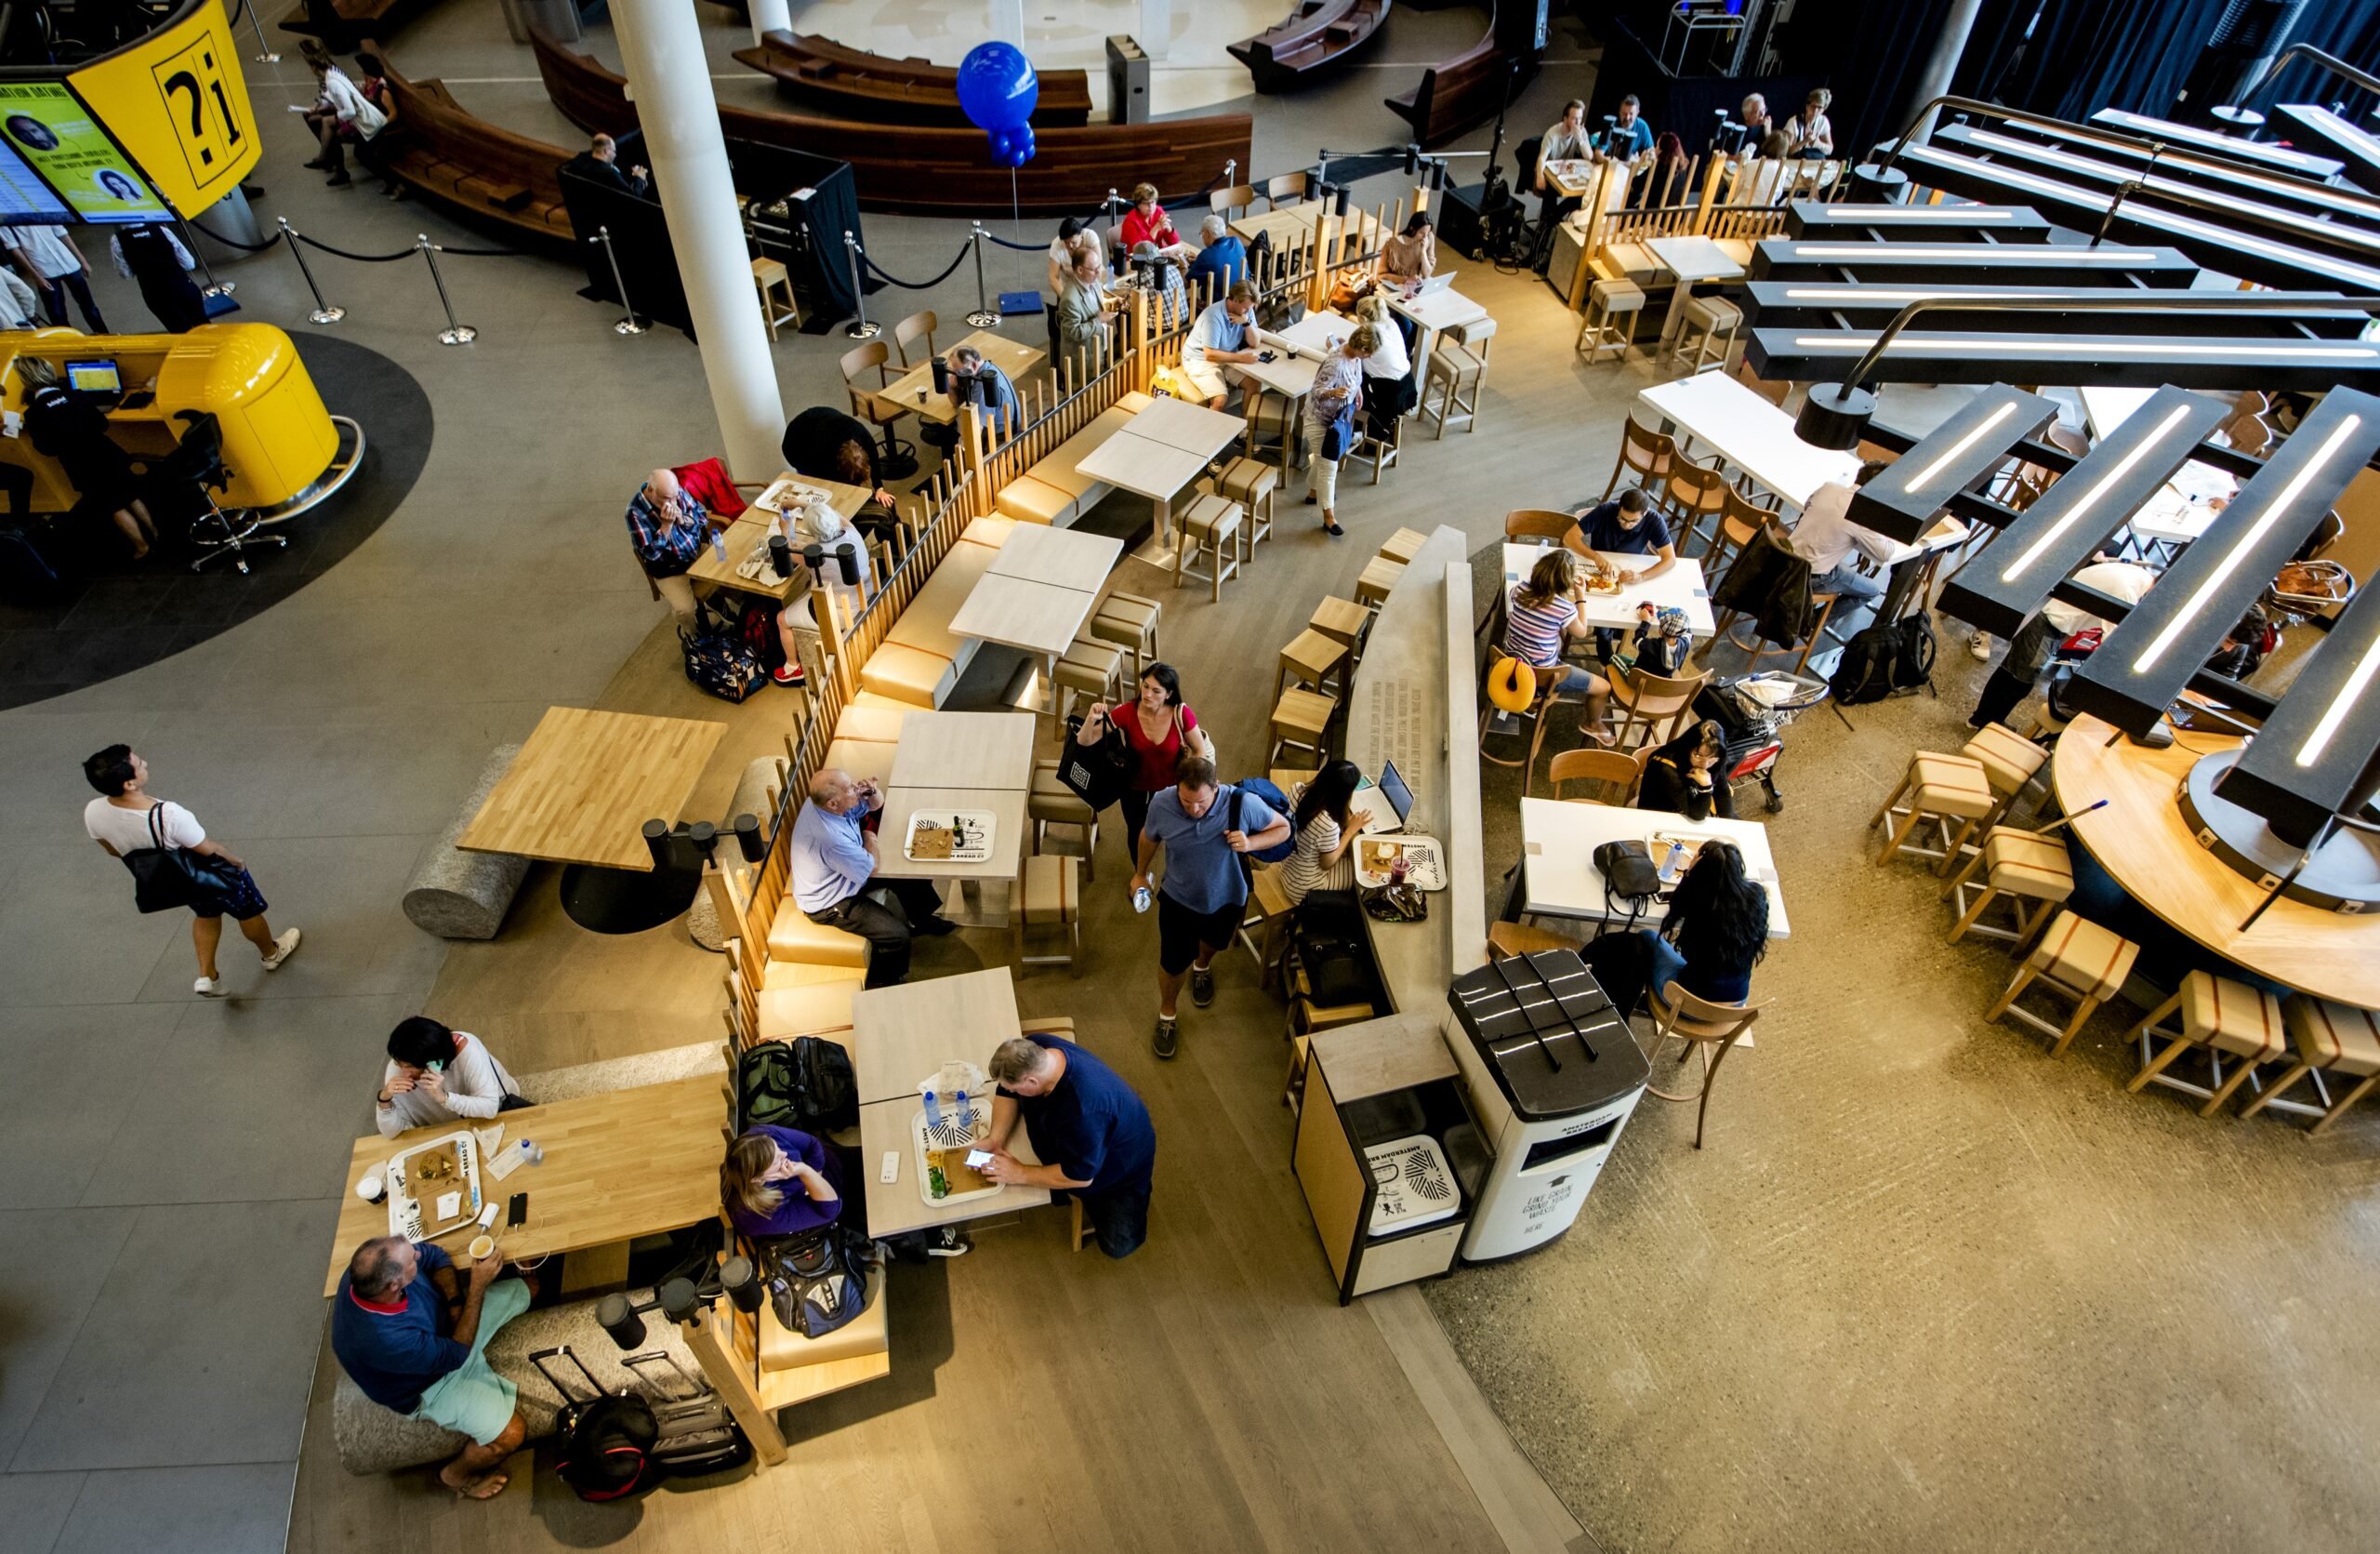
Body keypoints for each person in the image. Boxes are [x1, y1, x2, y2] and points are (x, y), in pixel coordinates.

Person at [83, 744, 300, 997]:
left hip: (177, 881)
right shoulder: (169, 815)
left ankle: (207, 975)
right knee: (247, 908)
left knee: (206, 913)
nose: (145, 764)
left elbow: (113, 850)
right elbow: (207, 849)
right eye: (139, 763)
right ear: (129, 784)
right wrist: (236, 861)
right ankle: (271, 953)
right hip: (207, 873)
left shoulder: (94, 812)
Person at [331, 1236, 526, 1501]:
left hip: (444, 1333)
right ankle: (455, 1475)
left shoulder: (367, 1270)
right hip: (431, 1385)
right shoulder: (387, 1340)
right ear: (393, 1285)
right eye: (412, 1260)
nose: (418, 1257)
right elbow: (456, 1354)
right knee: (511, 1435)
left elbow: (435, 1254)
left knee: (528, 1288)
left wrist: (457, 1308)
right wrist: (477, 1288)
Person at [1132, 752, 1289, 1057]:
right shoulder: (1162, 804)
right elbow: (1149, 837)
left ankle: (1202, 966)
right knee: (1172, 962)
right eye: (1186, 801)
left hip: (1227, 897)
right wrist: (1139, 873)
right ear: (1176, 787)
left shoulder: (1242, 804)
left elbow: (1283, 828)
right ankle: (1167, 1014)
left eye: (1201, 803)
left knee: (1213, 943)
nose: (1193, 809)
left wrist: (1251, 843)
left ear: (1216, 786)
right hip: (1178, 899)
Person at [982, 1033, 1157, 1258]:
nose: (1012, 1093)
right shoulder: (1036, 1050)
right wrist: (996, 1138)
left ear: (1032, 1081)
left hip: (1117, 1172)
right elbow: (1006, 1089)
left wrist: (1020, 1173)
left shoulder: (1082, 1112)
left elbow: (1081, 1176)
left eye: (1016, 1090)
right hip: (1078, 1147)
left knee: (1118, 1245)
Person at [790, 768, 955, 987]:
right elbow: (871, 867)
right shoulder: (828, 838)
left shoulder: (830, 805)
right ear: (832, 803)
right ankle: (886, 982)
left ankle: (923, 920)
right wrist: (870, 837)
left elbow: (872, 806)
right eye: (850, 788)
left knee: (912, 874)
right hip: (831, 901)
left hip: (846, 872)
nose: (856, 788)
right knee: (897, 935)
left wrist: (872, 793)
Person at [1968, 556, 2158, 730]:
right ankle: (1984, 722)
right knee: (2018, 680)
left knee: (2014, 673)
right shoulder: (2126, 591)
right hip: (2047, 620)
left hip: (2053, 615)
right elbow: (2111, 646)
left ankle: (1987, 720)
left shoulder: (2135, 574)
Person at [1585, 839, 1767, 1016]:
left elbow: (1677, 905)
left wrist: (1689, 875)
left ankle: (1628, 997)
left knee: (1645, 938)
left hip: (1685, 1002)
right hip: (1734, 1006)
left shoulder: (1700, 905)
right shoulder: (1756, 896)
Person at [20, 359, 156, 559]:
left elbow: (46, 448)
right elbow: (102, 424)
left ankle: (142, 547)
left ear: (27, 381)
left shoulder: (34, 414)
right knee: (131, 495)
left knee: (114, 507)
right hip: (108, 454)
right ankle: (154, 532)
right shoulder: (76, 395)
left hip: (82, 466)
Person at [1076, 662, 1214, 857]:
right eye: (1146, 686)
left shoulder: (1181, 714)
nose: (1148, 694)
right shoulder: (1127, 712)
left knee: (1175, 831)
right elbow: (1084, 741)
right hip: (1134, 788)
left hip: (1171, 789)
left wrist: (1189, 782)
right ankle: (1140, 874)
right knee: (1137, 832)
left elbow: (1199, 749)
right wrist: (1091, 719)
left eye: (1156, 690)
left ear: (1168, 694)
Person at [1502, 549, 1613, 742]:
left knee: (1557, 637)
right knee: (1604, 687)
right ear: (1566, 581)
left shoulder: (1520, 590)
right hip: (1542, 675)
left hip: (1511, 661)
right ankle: (1593, 723)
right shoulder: (1564, 608)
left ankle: (1529, 704)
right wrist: (1580, 598)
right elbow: (1581, 631)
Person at [376, 1016, 519, 1138]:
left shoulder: (469, 1054)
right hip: (450, 1131)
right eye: (398, 1063)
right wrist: (384, 1099)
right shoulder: (397, 1069)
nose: (404, 1073)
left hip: (501, 1110)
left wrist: (445, 1099)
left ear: (433, 1062)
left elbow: (490, 1107)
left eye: (409, 1067)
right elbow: (392, 1133)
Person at [1300, 323, 1377, 537]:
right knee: (1329, 467)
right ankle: (1329, 516)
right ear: (1360, 346)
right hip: (1320, 420)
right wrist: (1334, 393)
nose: (1369, 356)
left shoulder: (1356, 358)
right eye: (1367, 352)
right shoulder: (1335, 363)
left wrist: (1357, 390)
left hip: (1339, 417)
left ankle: (1314, 491)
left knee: (1325, 458)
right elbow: (1317, 391)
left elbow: (1354, 376)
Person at [1790, 460, 1896, 605]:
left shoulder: (1829, 487)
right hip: (1812, 575)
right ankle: (1812, 622)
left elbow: (1807, 506)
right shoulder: (1863, 514)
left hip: (1785, 556)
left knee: (1841, 567)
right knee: (1871, 591)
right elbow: (1886, 553)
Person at [721, 1125, 843, 1239]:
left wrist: (815, 1174)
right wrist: (805, 1172)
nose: (785, 1153)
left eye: (778, 1148)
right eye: (777, 1161)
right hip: (812, 1206)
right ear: (757, 1179)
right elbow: (830, 1210)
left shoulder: (760, 1137)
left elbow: (813, 1144)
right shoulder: (760, 1215)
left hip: (817, 1177)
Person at [625, 467, 711, 623]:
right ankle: (694, 638)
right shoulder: (634, 512)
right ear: (651, 491)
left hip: (696, 551)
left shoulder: (674, 491)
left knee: (732, 566)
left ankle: (723, 605)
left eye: (674, 497)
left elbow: (702, 517)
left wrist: (683, 519)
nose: (672, 503)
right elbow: (651, 554)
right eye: (666, 498)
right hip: (670, 569)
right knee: (685, 611)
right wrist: (666, 527)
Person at [780, 405, 898, 517]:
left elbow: (874, 458)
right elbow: (824, 478)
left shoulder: (862, 435)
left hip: (825, 420)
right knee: (818, 489)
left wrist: (879, 488)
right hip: (796, 441)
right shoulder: (823, 455)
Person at [297, 39, 382, 188]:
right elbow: (326, 95)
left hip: (352, 112)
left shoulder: (331, 77)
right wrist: (319, 105)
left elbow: (343, 105)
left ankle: (335, 164)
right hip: (343, 107)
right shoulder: (327, 71)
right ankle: (329, 156)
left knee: (322, 122)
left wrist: (322, 108)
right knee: (311, 117)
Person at [1279, 760, 1360, 909]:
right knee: (1359, 872)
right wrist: (1350, 831)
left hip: (1288, 867)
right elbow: (1326, 864)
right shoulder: (1327, 824)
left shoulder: (1296, 789)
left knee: (1345, 853)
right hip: (1305, 889)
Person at [1181, 279, 1269, 409]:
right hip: (1199, 361)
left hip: (1226, 356)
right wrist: (1241, 358)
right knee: (1220, 400)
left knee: (1254, 384)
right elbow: (1210, 355)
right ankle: (1213, 429)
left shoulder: (1246, 312)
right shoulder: (1213, 317)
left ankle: (1245, 425)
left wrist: (1246, 323)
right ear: (1235, 300)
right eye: (1245, 307)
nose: (1248, 311)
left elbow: (1255, 342)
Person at [2, 222, 104, 331]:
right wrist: (36, 277)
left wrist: (82, 260)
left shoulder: (39, 210)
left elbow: (62, 233)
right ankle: (65, 343)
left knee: (89, 306)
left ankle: (104, 337)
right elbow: (14, 249)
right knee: (57, 314)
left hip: (67, 261)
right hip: (43, 269)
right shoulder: (7, 222)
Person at [921, 343, 1018, 457]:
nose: (956, 376)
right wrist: (951, 387)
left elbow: (976, 429)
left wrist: (963, 452)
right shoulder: (987, 368)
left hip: (1002, 435)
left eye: (959, 371)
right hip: (1001, 426)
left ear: (973, 365)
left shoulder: (983, 387)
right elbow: (956, 404)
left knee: (954, 437)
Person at [109, 221, 206, 334]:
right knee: (203, 325)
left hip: (155, 294)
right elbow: (189, 263)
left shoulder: (117, 240)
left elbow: (126, 274)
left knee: (179, 331)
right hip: (183, 286)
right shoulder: (162, 230)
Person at [1637, 720, 1736, 821]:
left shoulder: (1717, 758)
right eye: (1698, 756)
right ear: (1688, 748)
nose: (1705, 765)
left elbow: (1723, 792)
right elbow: (1697, 815)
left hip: (1691, 806)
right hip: (1660, 814)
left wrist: (1727, 822)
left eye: (1712, 758)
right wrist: (1706, 787)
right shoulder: (1665, 769)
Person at [1057, 247, 1116, 369]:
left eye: (1099, 267)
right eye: (1094, 270)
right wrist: (1099, 321)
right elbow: (1072, 332)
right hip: (1082, 363)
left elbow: (1096, 302)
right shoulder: (1070, 299)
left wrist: (1113, 301)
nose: (1098, 273)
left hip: (1097, 350)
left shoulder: (1092, 281)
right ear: (1080, 270)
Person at [1350, 292, 1411, 382]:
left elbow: (1351, 357)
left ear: (1362, 318)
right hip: (1408, 379)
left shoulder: (1371, 336)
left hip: (1386, 386)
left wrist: (1333, 348)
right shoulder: (1392, 323)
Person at [1125, 239, 1187, 328]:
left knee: (1125, 316)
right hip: (1184, 327)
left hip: (1158, 333)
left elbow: (1127, 308)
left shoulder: (1139, 281)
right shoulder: (1174, 269)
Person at [1185, 213, 1246, 298]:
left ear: (1207, 233)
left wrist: (1184, 265)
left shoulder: (1206, 255)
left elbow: (1188, 282)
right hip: (1241, 297)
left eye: (1202, 234)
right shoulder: (1236, 242)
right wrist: (1199, 261)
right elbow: (1223, 259)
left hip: (1218, 305)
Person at [569, 131, 648, 196]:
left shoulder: (580, 161)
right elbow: (634, 197)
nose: (615, 154)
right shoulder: (610, 174)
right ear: (606, 151)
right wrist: (639, 178)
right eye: (614, 151)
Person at [1538, 100, 1593, 190]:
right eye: (1574, 118)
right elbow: (1542, 158)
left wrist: (1580, 139)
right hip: (1550, 170)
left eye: (1580, 118)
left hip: (1566, 170)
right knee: (1551, 191)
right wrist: (1540, 176)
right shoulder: (1552, 133)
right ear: (1565, 118)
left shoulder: (1581, 132)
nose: (1578, 122)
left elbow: (1589, 157)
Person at [2206, 604, 2270, 681]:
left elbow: (2229, 677)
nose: (2228, 649)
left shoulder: (2241, 645)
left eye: (2235, 645)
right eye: (2228, 641)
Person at [1376, 212, 1435, 288]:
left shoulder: (1429, 238)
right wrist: (1405, 280)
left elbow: (1426, 274)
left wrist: (1423, 252)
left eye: (1427, 232)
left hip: (1417, 288)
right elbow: (1381, 276)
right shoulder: (1391, 245)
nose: (1425, 237)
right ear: (1412, 228)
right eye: (1421, 233)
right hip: (1396, 288)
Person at [1633, 604, 1694, 676]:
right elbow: (1688, 633)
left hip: (1639, 681)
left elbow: (1636, 641)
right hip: (1662, 684)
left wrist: (1645, 622)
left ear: (1660, 631)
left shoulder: (1651, 646)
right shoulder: (1684, 643)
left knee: (1617, 658)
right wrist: (1679, 621)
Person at [1118, 183, 1180, 254]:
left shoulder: (1159, 211)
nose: (1150, 206)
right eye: (1146, 203)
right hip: (1135, 259)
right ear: (1138, 205)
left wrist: (1169, 229)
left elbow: (1175, 243)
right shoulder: (1130, 221)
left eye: (1152, 202)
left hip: (1156, 254)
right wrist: (1155, 229)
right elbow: (1142, 251)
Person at [1598, 96, 1655, 164]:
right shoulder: (1611, 125)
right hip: (1606, 165)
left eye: (1631, 114)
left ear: (1637, 113)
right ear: (1620, 112)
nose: (1627, 118)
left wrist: (1643, 158)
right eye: (1625, 114)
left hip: (1626, 168)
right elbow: (1598, 154)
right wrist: (1613, 164)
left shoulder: (1642, 127)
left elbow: (1651, 150)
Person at [1785, 87, 1834, 156]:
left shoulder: (1823, 121)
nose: (1815, 111)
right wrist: (1804, 142)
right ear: (1807, 106)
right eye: (1813, 106)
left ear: (1824, 109)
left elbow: (1830, 150)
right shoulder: (1793, 122)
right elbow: (1786, 152)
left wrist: (1819, 144)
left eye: (1820, 107)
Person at [1736, 93, 1776, 158]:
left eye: (1764, 110)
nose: (1762, 114)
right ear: (1746, 115)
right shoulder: (1736, 128)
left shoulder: (1765, 127)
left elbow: (1773, 155)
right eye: (1757, 111)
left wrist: (1768, 135)